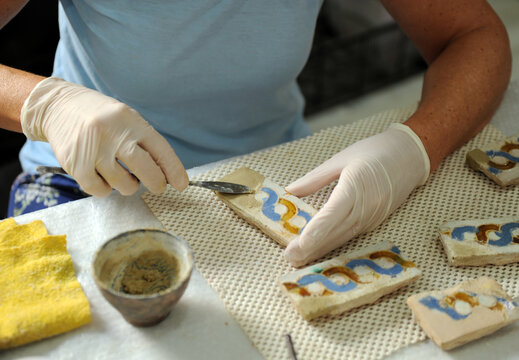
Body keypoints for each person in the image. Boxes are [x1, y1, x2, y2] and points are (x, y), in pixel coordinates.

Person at [0, 1, 512, 267]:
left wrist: (414, 147)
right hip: (86, 172)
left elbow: (473, 34)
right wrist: (46, 105)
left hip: (277, 168)